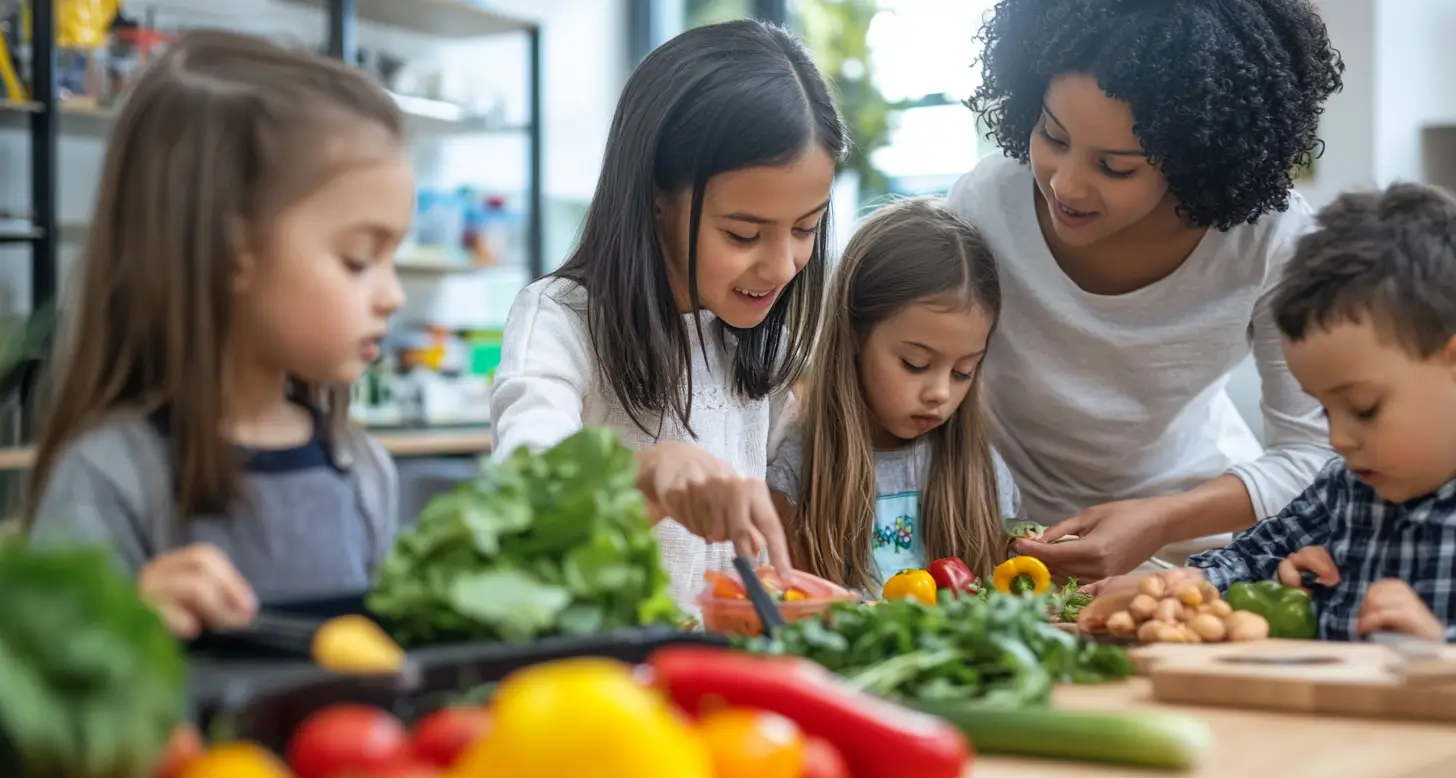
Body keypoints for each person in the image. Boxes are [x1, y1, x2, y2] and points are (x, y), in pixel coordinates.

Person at [24, 30, 409, 639]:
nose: (393, 295)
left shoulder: (364, 473)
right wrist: (127, 623)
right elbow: (40, 689)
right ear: (233, 253)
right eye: (359, 259)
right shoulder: (109, 476)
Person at [948, 0, 1346, 580]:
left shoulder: (1270, 243)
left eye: (1114, 168)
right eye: (1052, 135)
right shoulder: (985, 206)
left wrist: (1160, 521)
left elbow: (1316, 454)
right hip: (1009, 539)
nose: (1066, 184)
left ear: (1195, 158)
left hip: (1193, 545)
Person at [489, 19, 846, 608]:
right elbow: (524, 499)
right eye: (743, 233)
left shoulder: (760, 351)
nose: (783, 266)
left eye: (806, 228)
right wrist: (648, 472)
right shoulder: (560, 322)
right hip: (602, 679)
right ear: (657, 197)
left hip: (729, 672)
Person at [1108, 183, 1456, 642]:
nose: (1339, 440)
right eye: (1325, 411)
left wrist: (1440, 652)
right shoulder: (1345, 488)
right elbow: (1249, 558)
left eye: (1363, 409)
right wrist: (1187, 584)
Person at [766, 199, 1020, 594]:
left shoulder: (983, 473)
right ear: (854, 334)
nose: (940, 393)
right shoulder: (799, 469)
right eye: (915, 364)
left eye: (963, 372)